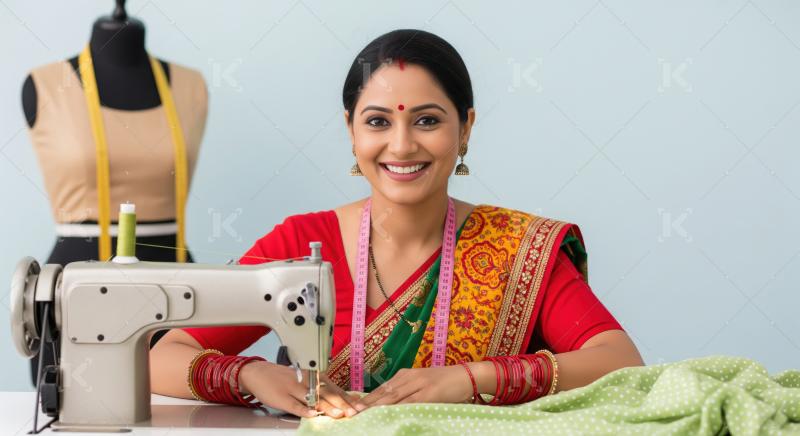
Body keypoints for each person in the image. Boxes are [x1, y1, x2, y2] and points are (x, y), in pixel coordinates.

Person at [150, 29, 644, 419]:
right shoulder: (304, 241)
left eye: (427, 121)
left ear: (466, 127)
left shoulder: (517, 251)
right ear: (351, 130)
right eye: (378, 122)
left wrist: (469, 378)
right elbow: (162, 357)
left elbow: (618, 360)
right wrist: (252, 376)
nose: (402, 146)